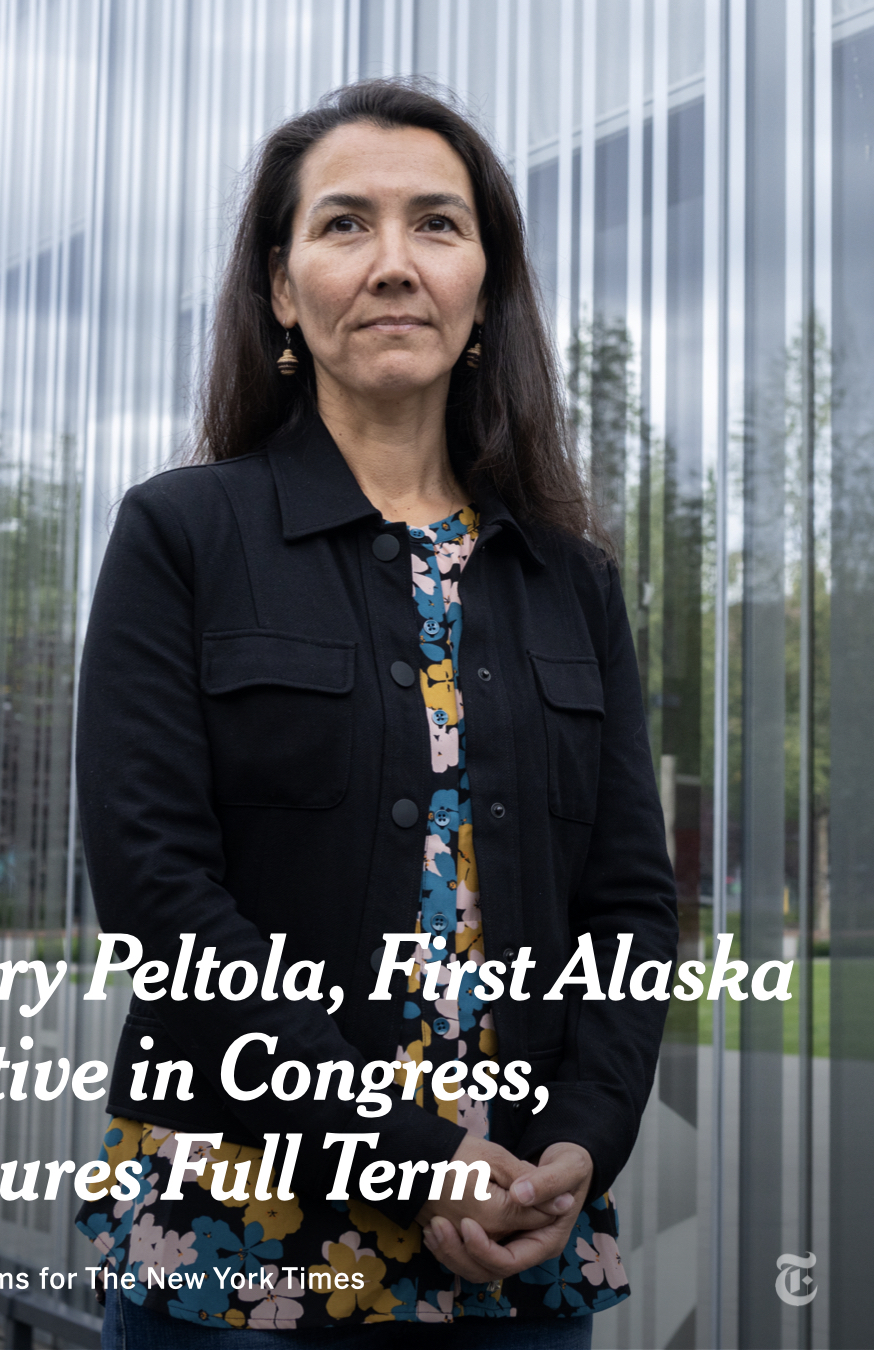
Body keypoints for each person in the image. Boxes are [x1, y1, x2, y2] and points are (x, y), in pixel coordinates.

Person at [75, 78, 677, 1350]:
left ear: (485, 291)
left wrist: (582, 1140)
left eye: (437, 226)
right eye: (345, 225)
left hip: (520, 1239)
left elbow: (630, 908)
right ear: (284, 292)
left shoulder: (574, 580)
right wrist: (415, 1158)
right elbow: (160, 900)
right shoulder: (181, 536)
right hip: (245, 1249)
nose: (394, 264)